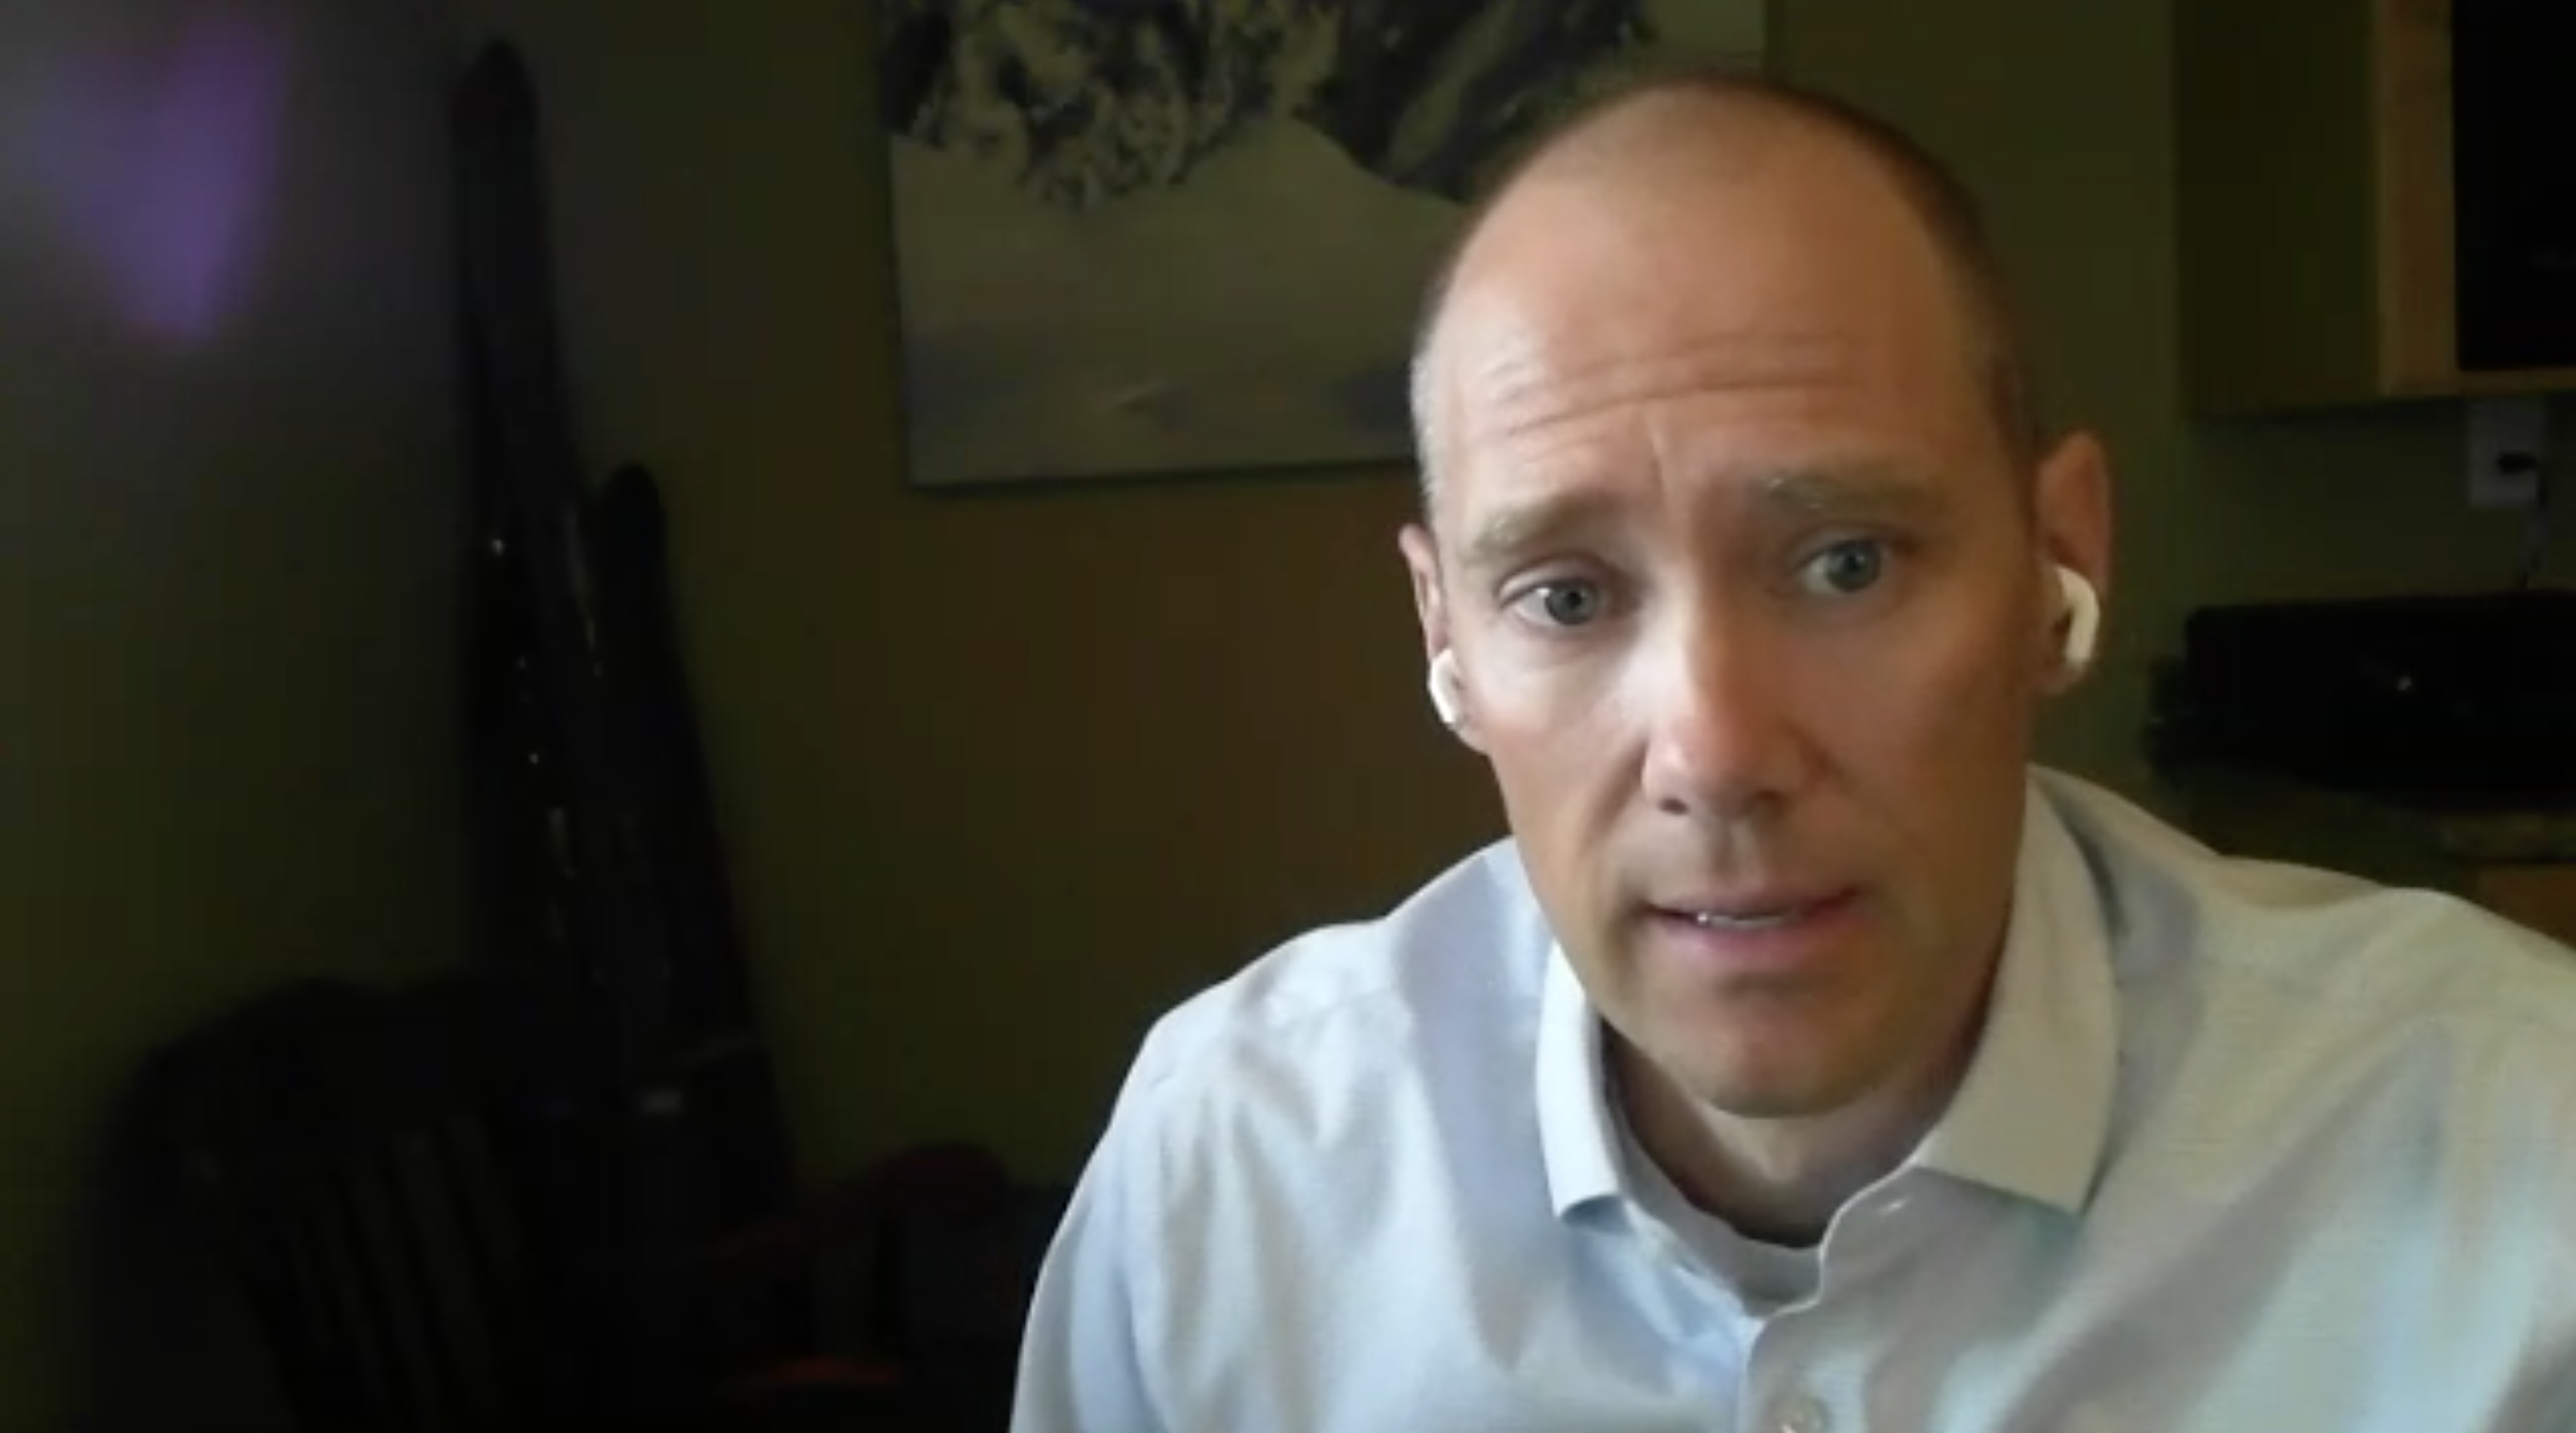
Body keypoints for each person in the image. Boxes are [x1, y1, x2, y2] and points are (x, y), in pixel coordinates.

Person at [1007, 68, 2576, 1432]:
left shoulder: (2520, 1149)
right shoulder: (1232, 1178)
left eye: (1847, 563)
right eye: (1566, 596)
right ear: (1447, 639)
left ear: (2058, 559)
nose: (1716, 754)